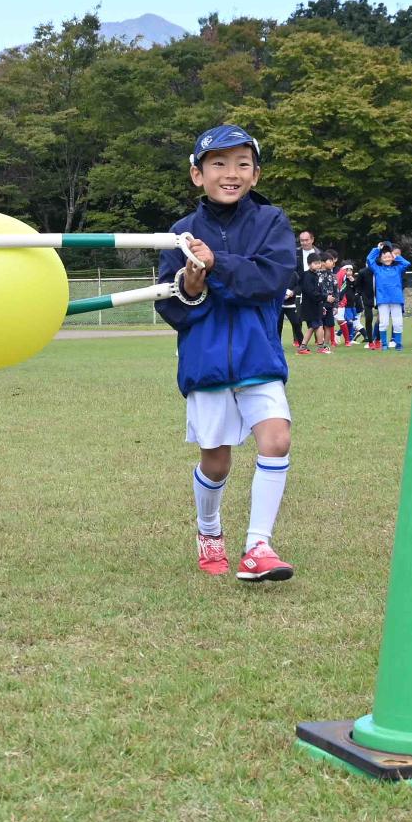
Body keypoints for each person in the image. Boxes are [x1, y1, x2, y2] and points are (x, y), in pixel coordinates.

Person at [154, 123, 297, 583]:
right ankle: (209, 529)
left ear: (256, 174)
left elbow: (270, 280)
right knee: (216, 462)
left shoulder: (271, 221)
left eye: (242, 164)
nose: (230, 173)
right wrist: (192, 288)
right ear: (198, 175)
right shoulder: (180, 233)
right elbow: (172, 308)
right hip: (206, 362)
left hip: (259, 358)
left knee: (276, 438)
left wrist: (217, 265)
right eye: (218, 164)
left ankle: (258, 546)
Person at [365, 240, 410, 351]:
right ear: (381, 259)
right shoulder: (377, 269)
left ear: (392, 258)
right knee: (383, 323)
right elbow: (369, 259)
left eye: (389, 256)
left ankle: (398, 344)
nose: (387, 258)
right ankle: (384, 344)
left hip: (396, 299)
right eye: (384, 257)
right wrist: (377, 249)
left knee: (398, 323)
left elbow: (407, 264)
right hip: (383, 300)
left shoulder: (397, 268)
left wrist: (396, 256)